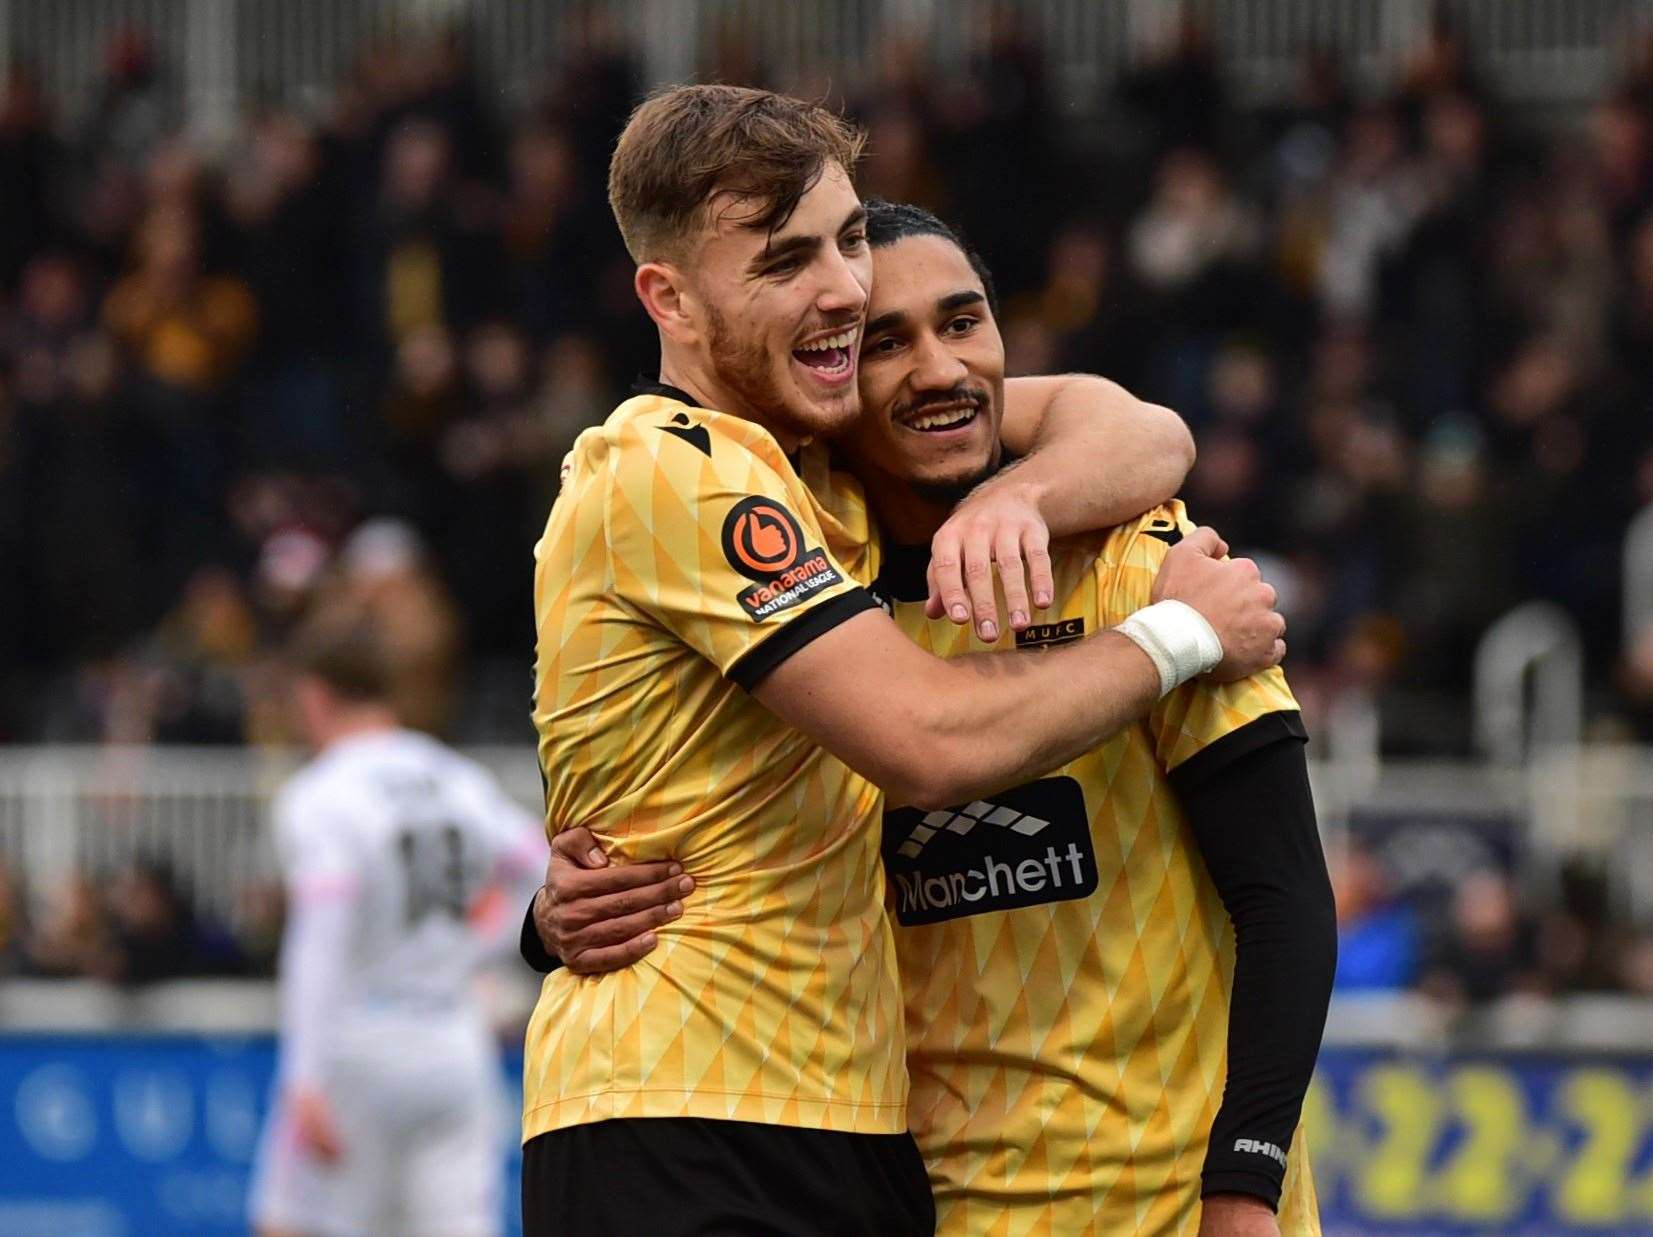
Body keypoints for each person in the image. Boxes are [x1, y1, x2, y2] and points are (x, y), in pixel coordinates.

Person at [521, 85, 1288, 1235]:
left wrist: (1016, 496)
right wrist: (1183, 635)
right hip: (685, 1111)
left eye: (842, 244)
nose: (840, 286)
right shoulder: (667, 469)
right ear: (667, 298)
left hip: (849, 1126)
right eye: (785, 261)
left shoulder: (819, 466)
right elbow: (926, 742)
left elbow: (1140, 429)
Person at [249, 604, 547, 1237]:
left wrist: (304, 1076)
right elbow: (539, 868)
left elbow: (321, 939)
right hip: (452, 1040)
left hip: (357, 1043)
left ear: (314, 694)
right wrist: (485, 947)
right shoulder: (456, 779)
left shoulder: (322, 794)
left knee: (293, 1224)